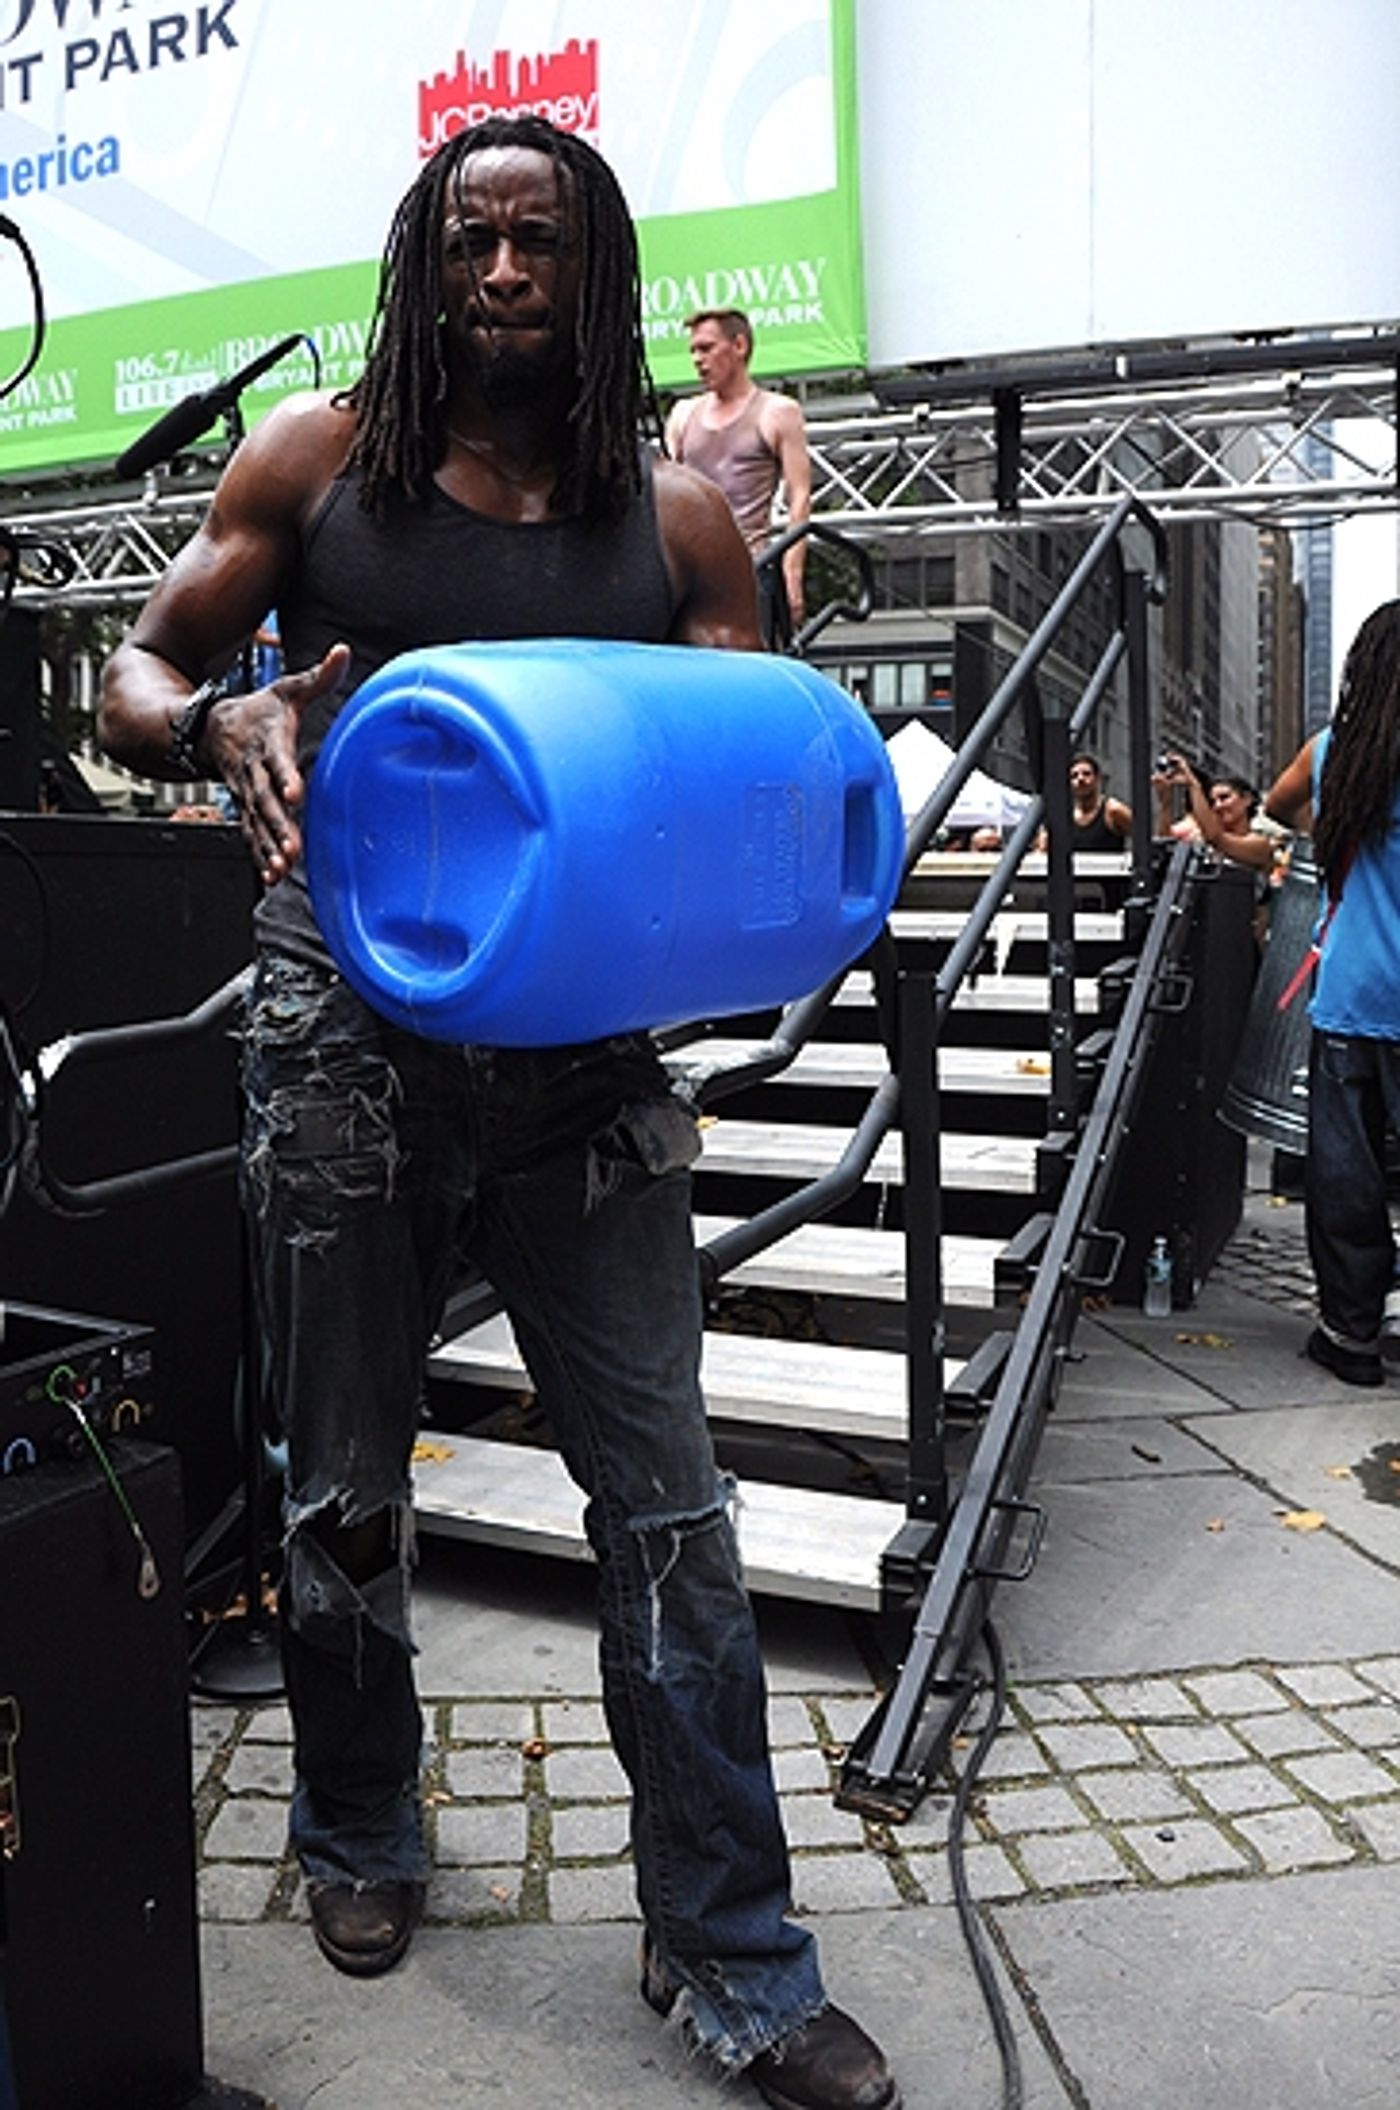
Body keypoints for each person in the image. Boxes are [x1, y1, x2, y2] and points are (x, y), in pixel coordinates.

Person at [98, 116, 898, 2110]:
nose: (505, 276)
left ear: (595, 262)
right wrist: (229, 716)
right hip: (347, 1033)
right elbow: (133, 672)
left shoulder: (676, 518)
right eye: (473, 241)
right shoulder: (315, 463)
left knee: (672, 1513)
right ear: (426, 258)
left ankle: (728, 1941)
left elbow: (753, 780)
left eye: (541, 242)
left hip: (589, 1071)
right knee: (337, 1483)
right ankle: (361, 1824)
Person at [1263, 601, 1400, 1388]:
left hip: (1351, 987)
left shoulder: (1336, 751)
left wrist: (1340, 821)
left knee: (1346, 1170)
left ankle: (1350, 1334)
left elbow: (1278, 810)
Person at [665, 307, 812, 640]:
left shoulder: (778, 412)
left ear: (739, 346)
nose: (697, 360)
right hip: (690, 573)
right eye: (693, 351)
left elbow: (800, 496)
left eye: (706, 348)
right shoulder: (684, 413)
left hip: (750, 567)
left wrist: (792, 573)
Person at [1152, 755, 1278, 874]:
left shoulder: (1260, 845)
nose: (1218, 806)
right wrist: (1166, 803)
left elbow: (1217, 839)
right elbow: (1167, 844)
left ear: (1247, 799)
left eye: (1224, 798)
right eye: (1212, 802)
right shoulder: (1202, 838)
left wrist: (1193, 784)